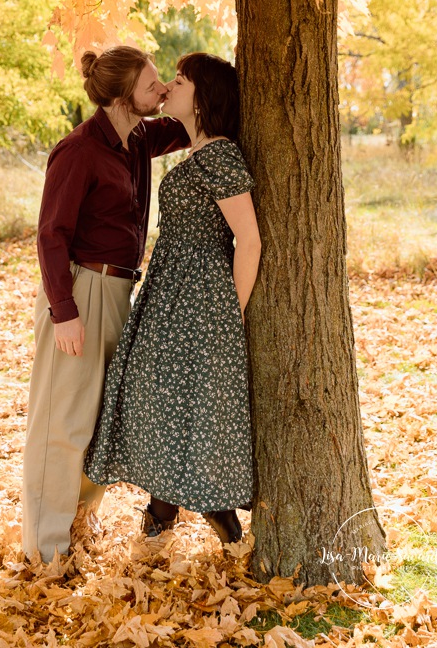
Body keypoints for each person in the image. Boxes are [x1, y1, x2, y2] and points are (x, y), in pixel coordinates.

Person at [84, 52, 261, 545]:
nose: (169, 87)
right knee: (160, 400)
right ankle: (162, 509)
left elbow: (249, 240)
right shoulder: (197, 151)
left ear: (203, 98)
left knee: (193, 405)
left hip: (200, 302)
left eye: (180, 81)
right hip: (171, 296)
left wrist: (229, 313)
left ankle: (216, 516)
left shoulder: (220, 155)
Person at [21, 46, 189, 562]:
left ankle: (77, 527)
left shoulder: (139, 138)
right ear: (121, 96)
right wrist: (64, 312)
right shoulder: (78, 150)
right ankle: (45, 552)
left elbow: (190, 125)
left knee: (100, 419)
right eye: (152, 85)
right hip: (80, 290)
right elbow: (51, 235)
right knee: (62, 422)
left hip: (120, 292)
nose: (162, 90)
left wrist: (203, 87)